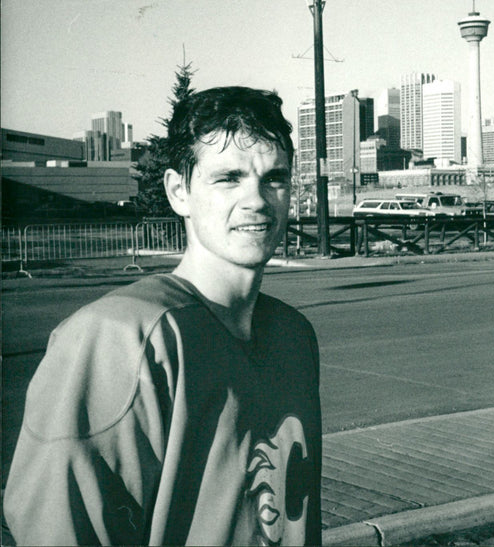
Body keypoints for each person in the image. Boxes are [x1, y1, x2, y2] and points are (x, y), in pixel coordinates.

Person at [3, 87, 322, 546]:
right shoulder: (121, 337)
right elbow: (61, 528)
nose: (256, 199)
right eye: (228, 178)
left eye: (274, 178)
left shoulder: (295, 336)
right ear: (179, 192)